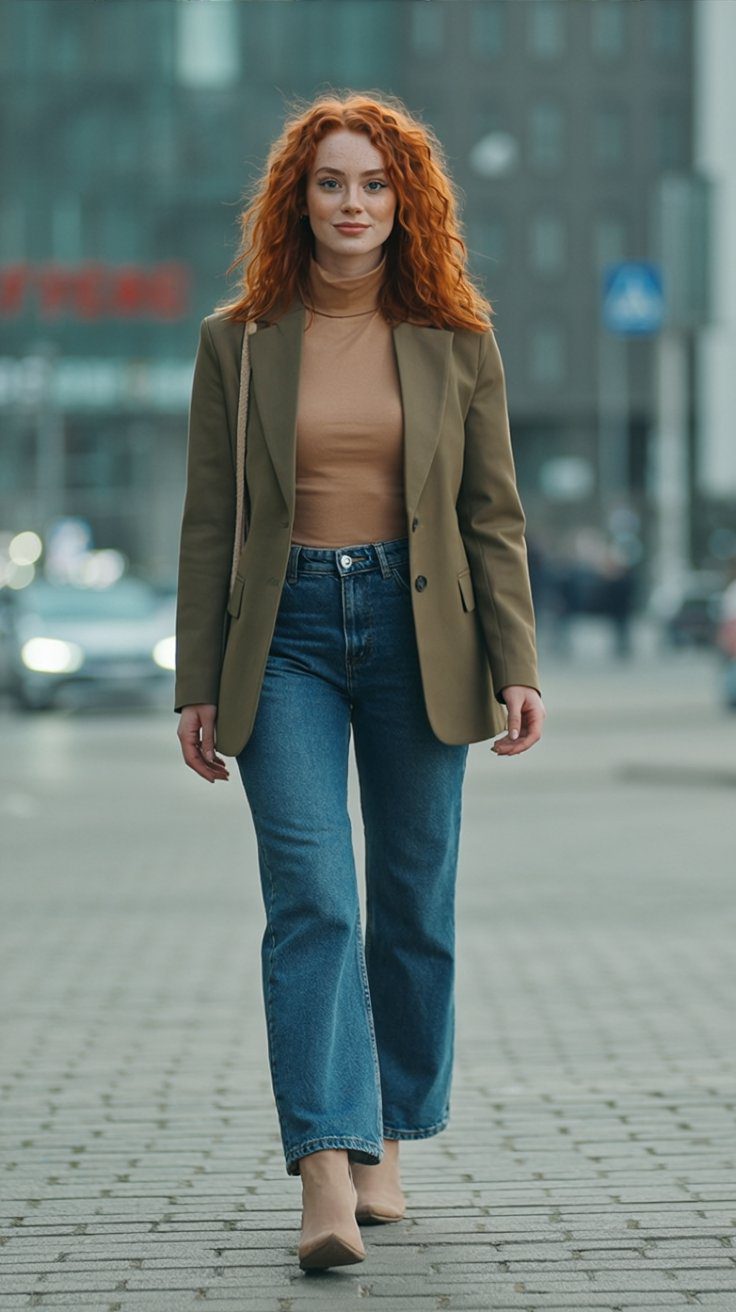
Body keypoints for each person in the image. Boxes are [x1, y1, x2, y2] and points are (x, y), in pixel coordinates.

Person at [174, 92, 546, 1272]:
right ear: (299, 198)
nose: (352, 204)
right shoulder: (239, 339)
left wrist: (518, 661)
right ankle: (324, 1172)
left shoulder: (455, 339)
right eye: (331, 183)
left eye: (373, 184)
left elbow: (492, 516)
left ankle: (391, 1131)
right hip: (279, 632)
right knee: (313, 899)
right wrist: (195, 678)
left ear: (405, 202)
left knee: (411, 898)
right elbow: (206, 524)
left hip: (418, 627)